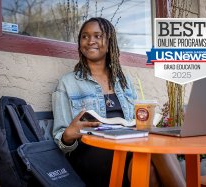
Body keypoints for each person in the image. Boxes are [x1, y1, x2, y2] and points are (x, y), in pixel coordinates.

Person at [52, 17, 185, 187]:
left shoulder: (124, 81)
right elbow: (61, 141)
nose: (90, 41)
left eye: (97, 36)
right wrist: (68, 134)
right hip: (90, 153)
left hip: (127, 147)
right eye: (84, 36)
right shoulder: (67, 83)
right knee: (155, 147)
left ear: (109, 42)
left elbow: (136, 120)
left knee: (149, 168)